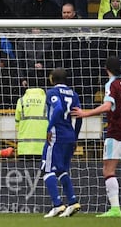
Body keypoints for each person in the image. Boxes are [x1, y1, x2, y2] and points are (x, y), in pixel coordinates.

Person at [71, 56, 121, 218]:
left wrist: (85, 113)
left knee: (108, 170)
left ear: (106, 69)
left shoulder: (111, 84)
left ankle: (115, 209)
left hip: (115, 133)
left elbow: (107, 106)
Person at [42, 68, 82, 218]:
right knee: (61, 170)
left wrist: (49, 127)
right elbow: (79, 117)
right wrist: (75, 136)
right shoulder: (74, 94)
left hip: (56, 136)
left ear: (52, 78)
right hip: (69, 136)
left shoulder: (51, 92)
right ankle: (72, 202)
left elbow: (58, 108)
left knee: (46, 169)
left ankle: (57, 205)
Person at [15, 87, 48, 158]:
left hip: (24, 149)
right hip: (43, 148)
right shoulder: (47, 100)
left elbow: (17, 123)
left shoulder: (21, 100)